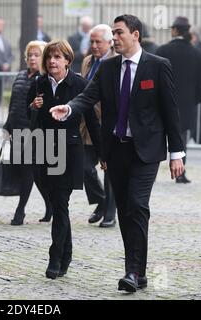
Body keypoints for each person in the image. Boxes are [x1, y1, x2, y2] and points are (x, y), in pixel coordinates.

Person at [49, 14, 185, 292]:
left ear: (135, 35)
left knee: (137, 205)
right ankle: (138, 272)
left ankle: (132, 272)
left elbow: (171, 111)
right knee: (126, 210)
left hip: (146, 151)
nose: (115, 38)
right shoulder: (108, 68)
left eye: (119, 33)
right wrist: (70, 108)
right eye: (113, 33)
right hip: (116, 150)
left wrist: (177, 153)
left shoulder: (158, 66)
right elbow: (88, 96)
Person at [28, 40, 101, 279]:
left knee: (61, 202)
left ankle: (55, 257)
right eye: (49, 57)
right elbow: (31, 121)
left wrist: (102, 153)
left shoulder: (80, 84)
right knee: (58, 205)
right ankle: (67, 252)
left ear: (67, 60)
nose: (52, 61)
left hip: (69, 151)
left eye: (57, 57)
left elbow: (92, 121)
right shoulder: (38, 83)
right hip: (44, 149)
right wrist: (34, 107)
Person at [3, 40, 53, 225]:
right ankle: (50, 205)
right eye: (30, 55)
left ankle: (20, 211)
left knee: (27, 170)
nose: (32, 58)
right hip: (16, 129)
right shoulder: (21, 76)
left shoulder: (45, 80)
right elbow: (13, 103)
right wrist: (7, 125)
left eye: (37, 55)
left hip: (34, 132)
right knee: (36, 173)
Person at [156, 16, 201, 184]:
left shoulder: (162, 50)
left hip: (163, 99)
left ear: (175, 30)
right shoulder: (197, 53)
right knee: (182, 137)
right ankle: (180, 173)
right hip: (187, 103)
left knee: (156, 136)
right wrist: (197, 101)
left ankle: (151, 172)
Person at [80, 24, 117, 228]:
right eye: (91, 41)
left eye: (98, 42)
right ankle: (101, 202)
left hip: (107, 124)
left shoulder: (115, 61)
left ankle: (110, 212)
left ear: (109, 42)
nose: (94, 46)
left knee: (109, 170)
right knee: (85, 167)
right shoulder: (87, 61)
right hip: (87, 125)